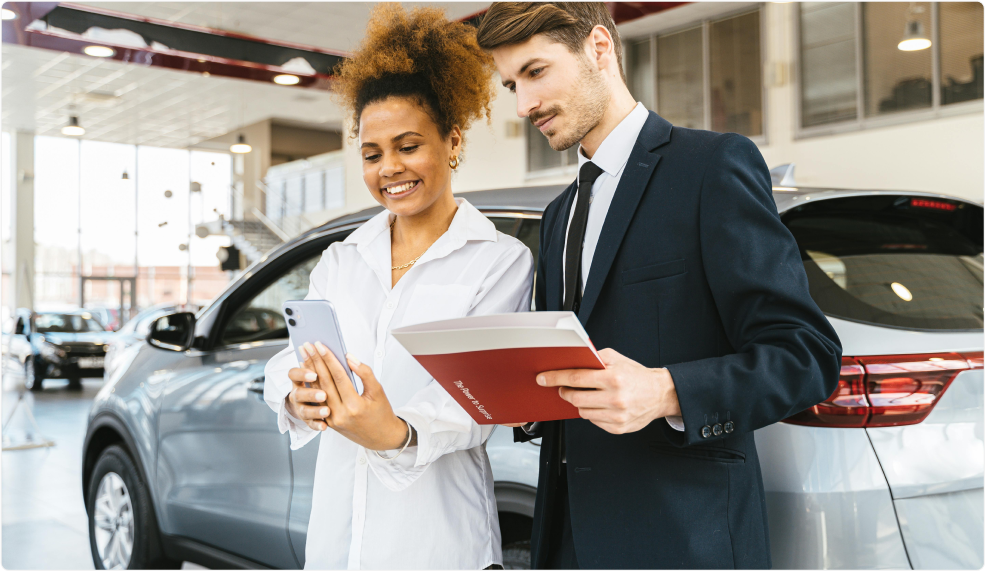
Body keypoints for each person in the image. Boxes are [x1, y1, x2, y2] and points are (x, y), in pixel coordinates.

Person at [477, 3, 843, 569]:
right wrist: (522, 401)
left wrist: (666, 391)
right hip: (567, 540)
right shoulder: (558, 216)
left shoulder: (711, 168)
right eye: (510, 86)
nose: (524, 105)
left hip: (683, 542)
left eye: (536, 72)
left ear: (599, 48)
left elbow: (805, 357)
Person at [263, 5, 533, 569]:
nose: (390, 168)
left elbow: (478, 403)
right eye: (371, 153)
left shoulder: (500, 261)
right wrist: (296, 393)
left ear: (452, 141)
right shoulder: (341, 259)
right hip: (339, 543)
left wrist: (394, 431)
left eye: (408, 146)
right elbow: (292, 356)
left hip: (441, 544)